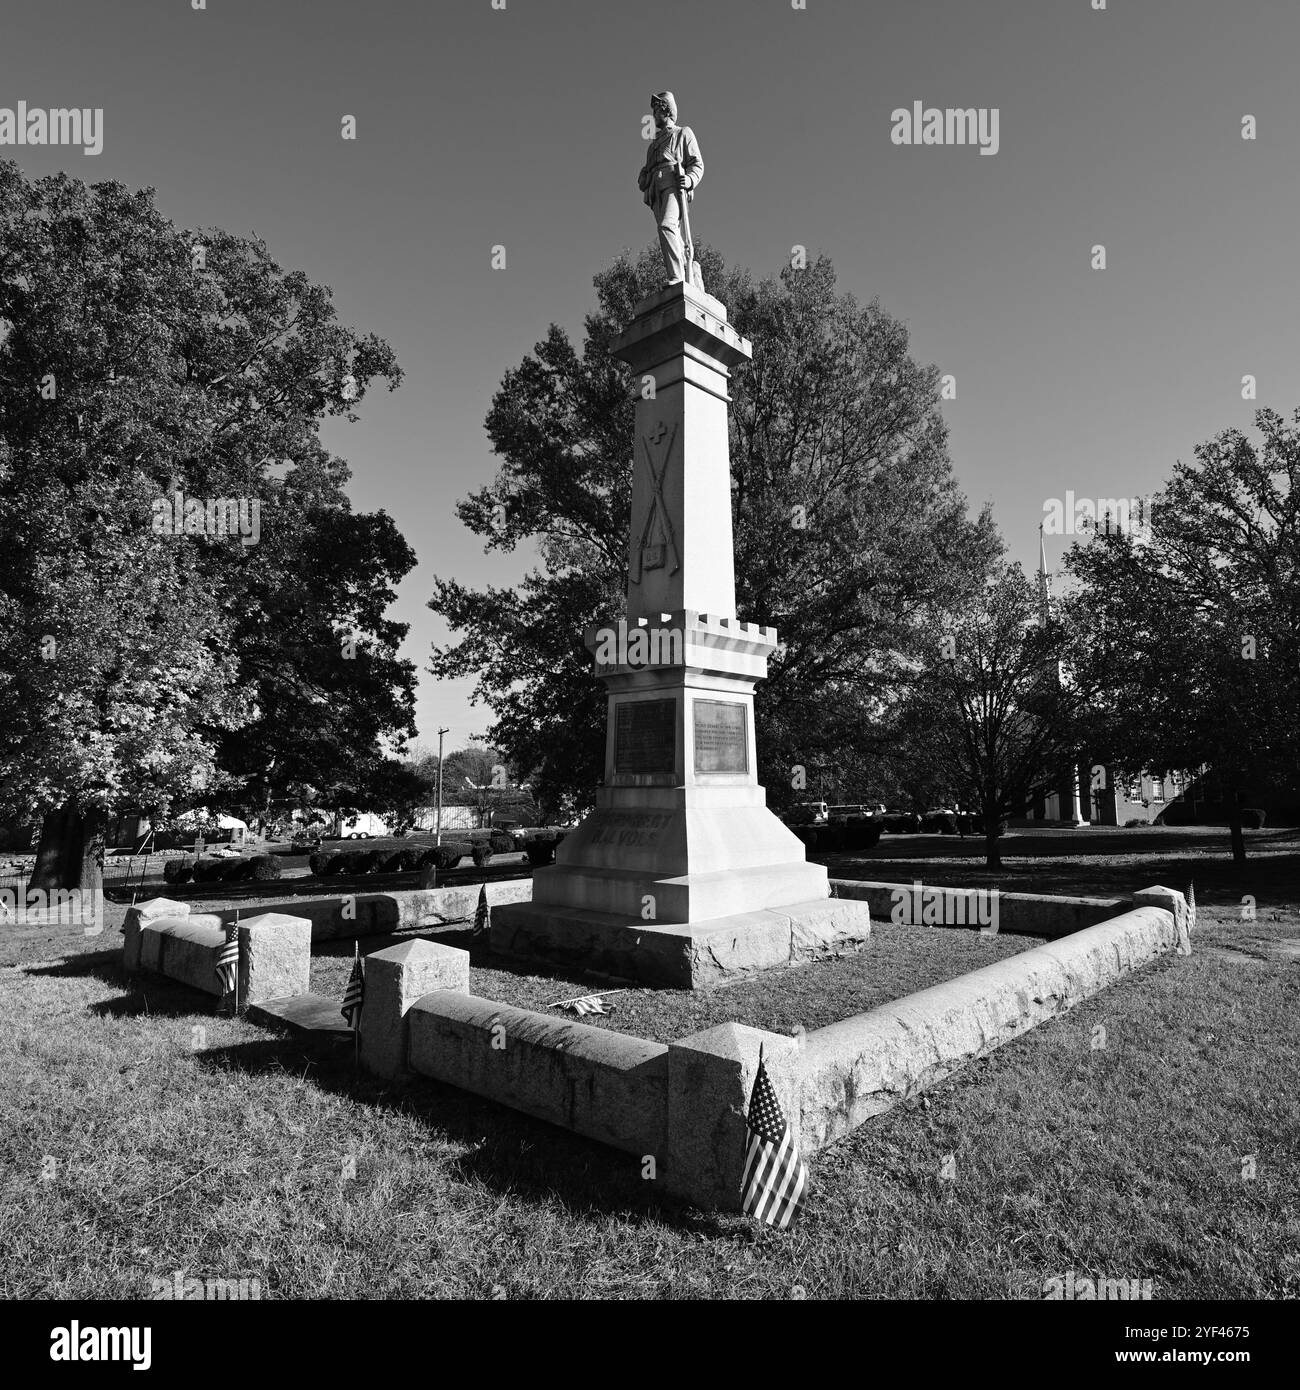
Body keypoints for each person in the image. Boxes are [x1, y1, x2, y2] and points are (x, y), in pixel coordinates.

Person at [638, 91, 703, 286]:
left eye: (657, 110)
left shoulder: (683, 133)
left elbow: (697, 164)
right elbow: (645, 172)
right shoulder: (653, 146)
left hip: (673, 186)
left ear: (665, 110)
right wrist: (644, 177)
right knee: (671, 234)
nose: (654, 115)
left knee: (667, 226)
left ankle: (677, 276)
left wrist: (690, 179)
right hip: (655, 192)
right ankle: (691, 272)